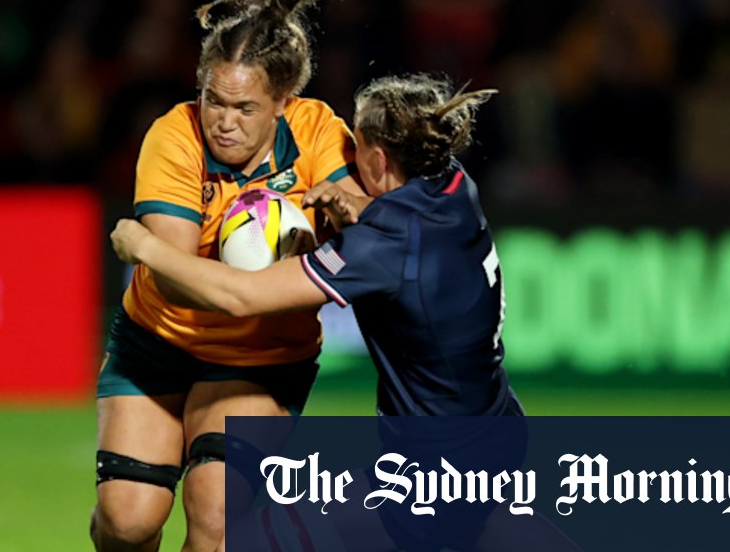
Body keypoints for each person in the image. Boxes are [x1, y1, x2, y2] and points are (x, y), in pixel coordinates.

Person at [112, 74, 582, 551]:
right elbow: (400, 230)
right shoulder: (455, 184)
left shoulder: (382, 245)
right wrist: (351, 206)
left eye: (354, 149)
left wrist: (147, 248)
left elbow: (243, 297)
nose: (346, 165)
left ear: (377, 159)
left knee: (239, 543)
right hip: (496, 427)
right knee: (483, 526)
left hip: (435, 468)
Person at [91, 0, 364, 552]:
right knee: (127, 521)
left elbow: (366, 220)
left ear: (284, 102)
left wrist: (346, 213)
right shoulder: (173, 135)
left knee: (215, 518)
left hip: (262, 357)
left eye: (245, 109)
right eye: (215, 100)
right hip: (160, 342)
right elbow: (175, 276)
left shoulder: (318, 130)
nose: (224, 122)